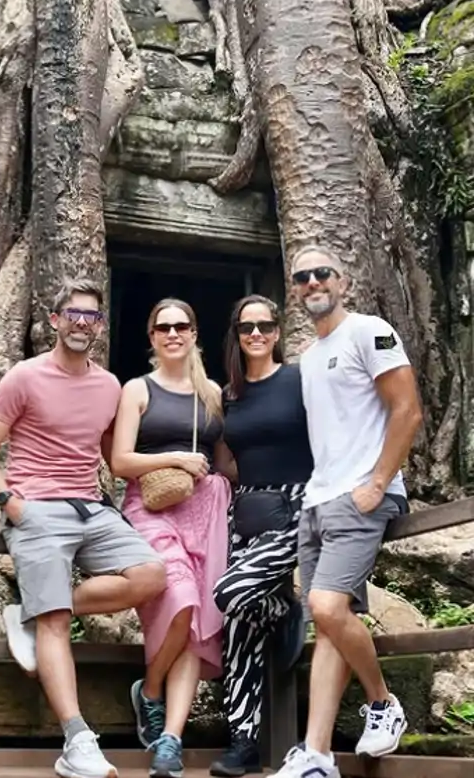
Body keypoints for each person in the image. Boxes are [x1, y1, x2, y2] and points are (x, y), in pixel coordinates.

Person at [0, 278, 167, 778]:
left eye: (92, 316)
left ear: (100, 327)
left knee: (151, 575)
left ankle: (35, 609)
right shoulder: (24, 377)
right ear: (55, 320)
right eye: (73, 314)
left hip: (92, 509)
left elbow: (111, 454)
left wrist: (165, 473)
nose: (82, 322)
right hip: (35, 509)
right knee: (55, 622)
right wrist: (11, 502)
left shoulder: (108, 386)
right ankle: (78, 742)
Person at [271, 246, 423, 778]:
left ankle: (382, 704)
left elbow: (408, 408)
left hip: (361, 495)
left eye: (322, 273)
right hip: (319, 500)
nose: (312, 282)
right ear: (294, 289)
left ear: (344, 281)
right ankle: (315, 755)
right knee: (329, 624)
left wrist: (378, 481)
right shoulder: (309, 356)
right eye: (302, 277)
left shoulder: (370, 330)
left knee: (328, 607)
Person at [111, 298, 233, 778]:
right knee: (181, 599)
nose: (173, 333)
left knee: (199, 622)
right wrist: (176, 460)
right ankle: (152, 689)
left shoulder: (213, 393)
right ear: (152, 337)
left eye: (181, 325)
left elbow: (225, 463)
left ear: (195, 333)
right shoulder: (137, 390)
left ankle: (171, 740)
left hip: (205, 509)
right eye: (163, 327)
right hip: (151, 507)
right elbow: (121, 461)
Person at [209, 295, 314, 777]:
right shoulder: (230, 394)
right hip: (245, 509)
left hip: (295, 503)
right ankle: (243, 740)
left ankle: (288, 610)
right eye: (246, 326)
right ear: (236, 332)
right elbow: (228, 460)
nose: (256, 333)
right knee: (238, 625)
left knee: (231, 592)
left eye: (265, 325)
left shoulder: (298, 380)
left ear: (277, 331)